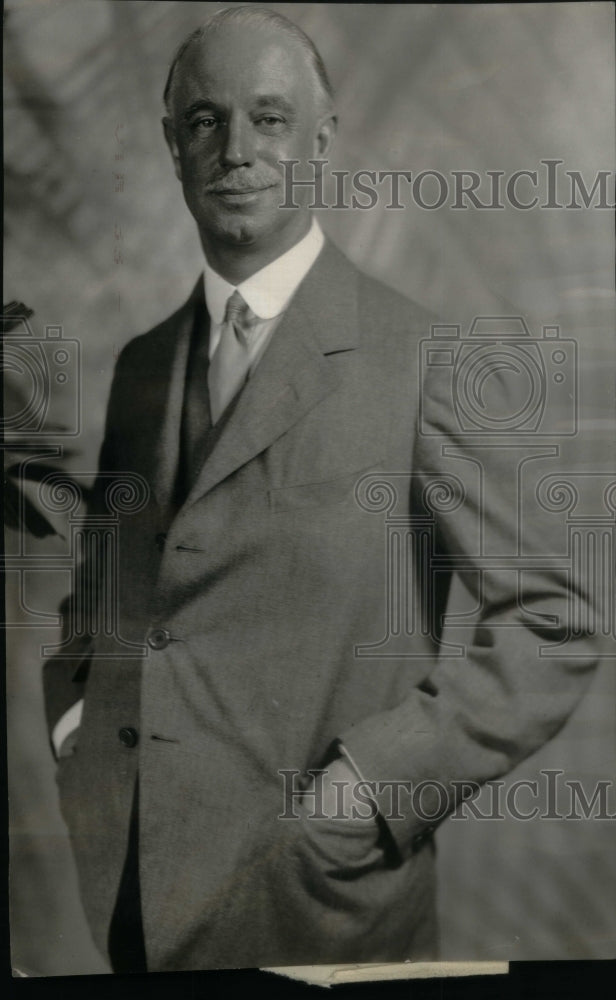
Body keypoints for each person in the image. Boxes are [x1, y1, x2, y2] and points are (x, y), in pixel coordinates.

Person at [43, 6, 598, 973]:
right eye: (205, 121)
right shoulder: (141, 369)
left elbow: (557, 617)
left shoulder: (426, 359)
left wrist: (373, 788)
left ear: (321, 141)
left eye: (269, 117)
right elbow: (110, 595)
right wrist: (74, 720)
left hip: (319, 910)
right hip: (129, 894)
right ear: (174, 148)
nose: (237, 150)